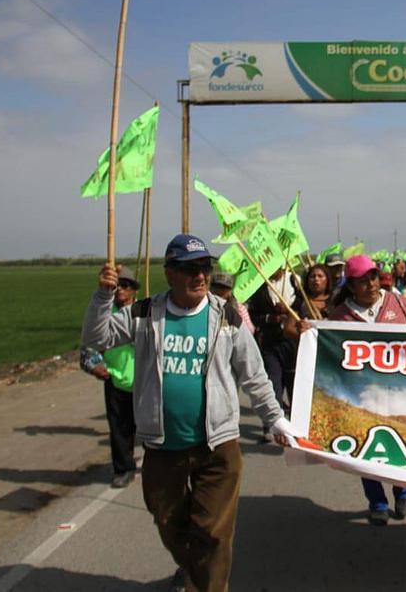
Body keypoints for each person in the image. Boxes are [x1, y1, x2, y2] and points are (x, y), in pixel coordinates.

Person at [82, 234, 290, 592]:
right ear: (170, 273)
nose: (199, 276)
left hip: (218, 446)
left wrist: (275, 419)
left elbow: (253, 374)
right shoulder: (146, 313)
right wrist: (103, 296)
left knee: (212, 531)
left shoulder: (225, 316)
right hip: (164, 446)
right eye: (189, 269)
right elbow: (95, 337)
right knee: (167, 520)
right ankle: (196, 570)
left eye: (204, 268)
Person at [323, 255, 406, 526]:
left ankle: (402, 491)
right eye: (363, 280)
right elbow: (327, 347)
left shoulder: (396, 301)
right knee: (367, 448)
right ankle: (376, 502)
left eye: (373, 277)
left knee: (399, 442)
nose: (371, 284)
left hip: (400, 391)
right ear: (351, 285)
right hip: (361, 396)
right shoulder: (340, 315)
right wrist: (310, 333)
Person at [79, 265, 139, 488]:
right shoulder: (104, 314)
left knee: (146, 428)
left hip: (143, 382)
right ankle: (123, 468)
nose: (120, 290)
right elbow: (88, 345)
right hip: (115, 379)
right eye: (117, 286)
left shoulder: (145, 312)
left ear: (133, 290)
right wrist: (92, 365)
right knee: (119, 429)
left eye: (125, 286)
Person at [248, 268, 298, 439]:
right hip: (271, 343)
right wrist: (271, 318)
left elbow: (305, 308)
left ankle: (297, 426)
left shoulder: (295, 281)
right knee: (273, 383)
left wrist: (289, 312)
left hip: (293, 344)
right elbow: (254, 316)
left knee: (294, 385)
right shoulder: (260, 287)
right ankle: (271, 425)